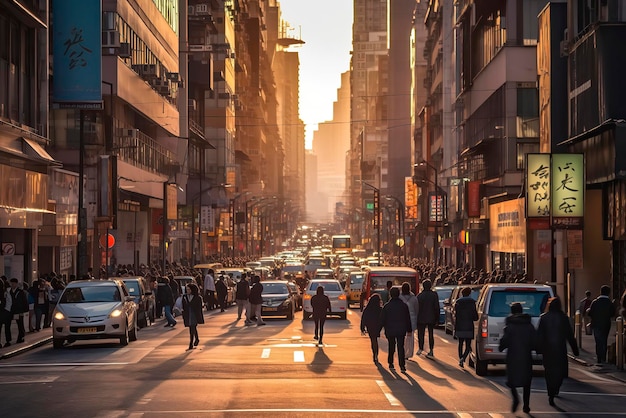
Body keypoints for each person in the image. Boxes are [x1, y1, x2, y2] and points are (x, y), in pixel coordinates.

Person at [537, 297, 579, 407]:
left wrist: (537, 348)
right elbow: (569, 335)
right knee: (559, 372)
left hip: (547, 350)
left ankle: (550, 391)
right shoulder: (563, 318)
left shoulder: (544, 318)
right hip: (560, 349)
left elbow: (539, 335)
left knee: (548, 372)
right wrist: (575, 349)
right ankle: (555, 389)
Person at [499, 302, 537, 414]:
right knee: (527, 381)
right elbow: (534, 340)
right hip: (526, 356)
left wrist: (501, 346)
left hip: (513, 356)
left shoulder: (509, 326)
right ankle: (526, 405)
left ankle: (515, 398)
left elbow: (505, 340)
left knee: (511, 380)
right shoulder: (529, 325)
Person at [380, 287, 412, 372]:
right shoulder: (404, 306)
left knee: (391, 346)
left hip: (390, 329)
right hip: (401, 329)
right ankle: (402, 365)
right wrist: (409, 330)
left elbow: (382, 319)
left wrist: (379, 329)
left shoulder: (387, 306)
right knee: (401, 347)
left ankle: (391, 363)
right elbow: (407, 318)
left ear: (390, 294)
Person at [587, 285, 616, 364]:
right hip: (606, 324)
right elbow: (613, 314)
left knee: (598, 340)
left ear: (600, 292)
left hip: (596, 324)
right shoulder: (609, 303)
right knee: (604, 339)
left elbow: (590, 313)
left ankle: (599, 357)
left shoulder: (595, 302)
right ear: (609, 293)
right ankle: (603, 356)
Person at [454, 286, 478, 368]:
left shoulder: (458, 303)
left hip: (460, 325)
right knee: (468, 345)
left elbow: (456, 315)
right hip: (469, 325)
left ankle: (460, 357)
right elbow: (475, 317)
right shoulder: (472, 303)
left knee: (460, 343)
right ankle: (463, 358)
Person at [416, 279, 439, 358]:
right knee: (431, 334)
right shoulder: (434, 295)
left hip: (421, 317)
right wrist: (437, 318)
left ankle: (420, 348)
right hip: (431, 316)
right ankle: (431, 349)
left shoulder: (419, 296)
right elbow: (436, 307)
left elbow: (417, 308)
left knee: (421, 333)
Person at [398, 282, 419, 359]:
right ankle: (409, 353)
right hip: (412, 319)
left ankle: (403, 352)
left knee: (402, 337)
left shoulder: (399, 297)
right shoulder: (414, 298)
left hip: (401, 319)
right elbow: (417, 310)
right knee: (410, 337)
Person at [360, 293, 383, 363]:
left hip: (370, 326)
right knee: (375, 339)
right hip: (377, 326)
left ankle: (375, 353)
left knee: (373, 340)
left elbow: (363, 319)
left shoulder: (367, 309)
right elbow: (383, 318)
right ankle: (376, 354)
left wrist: (362, 328)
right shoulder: (380, 309)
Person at [182, 283, 204, 350]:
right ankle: (196, 339)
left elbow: (199, 307)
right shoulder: (185, 297)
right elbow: (183, 305)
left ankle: (191, 343)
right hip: (188, 314)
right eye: (187, 289)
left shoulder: (197, 297)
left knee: (192, 327)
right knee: (192, 327)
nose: (187, 291)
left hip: (194, 314)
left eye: (189, 289)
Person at [8, 278, 28, 344]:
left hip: (19, 311)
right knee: (8, 325)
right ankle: (9, 339)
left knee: (20, 324)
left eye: (13, 283)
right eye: (11, 283)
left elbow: (24, 301)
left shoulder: (20, 292)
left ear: (16, 284)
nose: (12, 285)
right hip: (11, 310)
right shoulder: (9, 291)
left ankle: (21, 337)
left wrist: (24, 310)